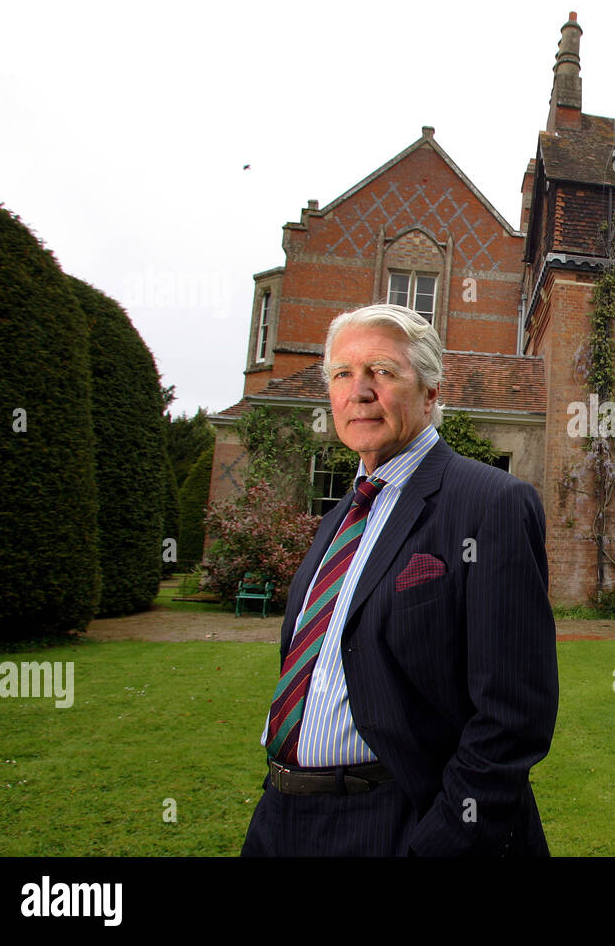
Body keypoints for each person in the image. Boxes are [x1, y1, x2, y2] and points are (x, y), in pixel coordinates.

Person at [240, 303, 558, 856]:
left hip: (397, 819)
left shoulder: (490, 504)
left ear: (431, 392)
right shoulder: (338, 519)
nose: (358, 391)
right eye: (343, 374)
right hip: (282, 819)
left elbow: (514, 716)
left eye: (382, 372)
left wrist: (438, 843)